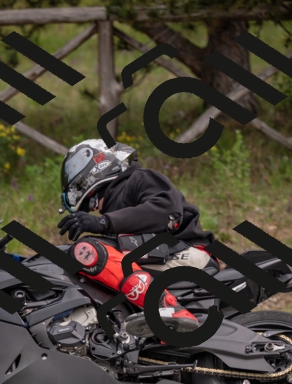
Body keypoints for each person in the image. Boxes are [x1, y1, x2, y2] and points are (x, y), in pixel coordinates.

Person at [57, 139, 217, 337]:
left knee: (86, 251)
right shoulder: (114, 207)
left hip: (186, 252)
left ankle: (164, 307)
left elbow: (168, 211)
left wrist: (103, 223)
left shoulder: (139, 178)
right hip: (161, 258)